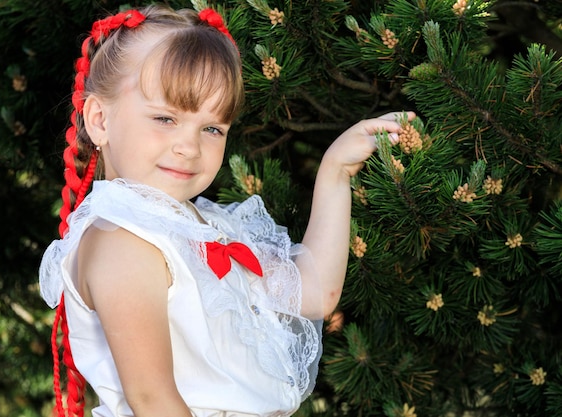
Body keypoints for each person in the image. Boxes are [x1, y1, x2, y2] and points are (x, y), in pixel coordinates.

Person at [39, 3, 415, 417]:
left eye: (212, 128)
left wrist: (335, 171)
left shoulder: (204, 228)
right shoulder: (122, 243)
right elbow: (154, 400)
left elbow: (313, 293)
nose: (189, 146)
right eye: (165, 118)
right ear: (100, 120)